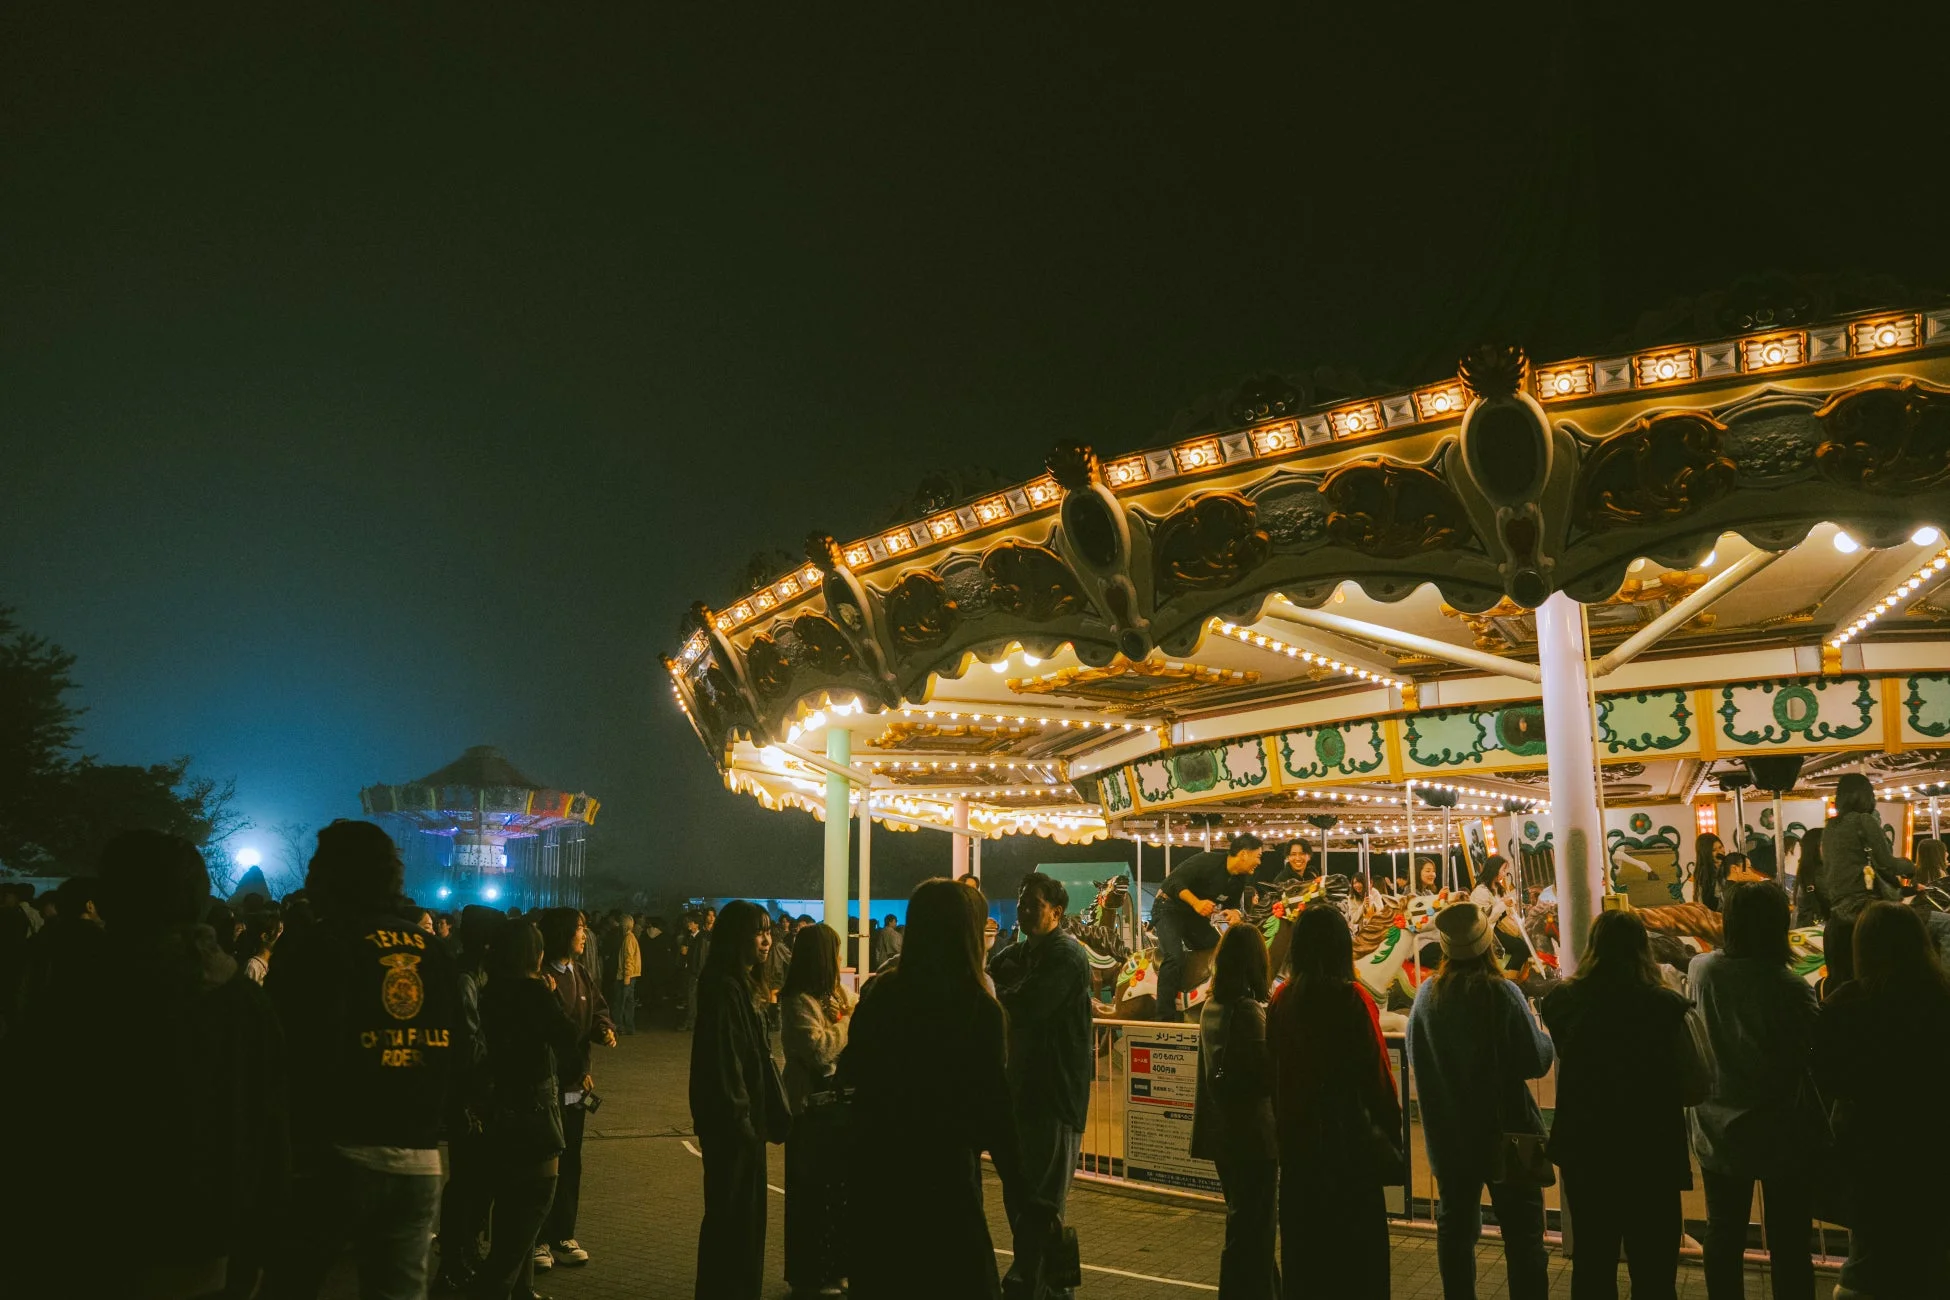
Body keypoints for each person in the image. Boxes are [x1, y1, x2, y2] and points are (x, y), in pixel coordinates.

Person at [5, 830, 288, 1300]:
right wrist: (261, 1245)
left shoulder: (74, 997)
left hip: (79, 1238)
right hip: (201, 1246)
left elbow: (24, 1116)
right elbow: (270, 1131)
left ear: (110, 899)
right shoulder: (243, 1004)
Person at [265, 819, 462, 1300]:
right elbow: (461, 1046)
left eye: (315, 867)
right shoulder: (434, 951)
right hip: (419, 1157)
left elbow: (289, 1051)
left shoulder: (321, 944)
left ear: (333, 877)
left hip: (336, 1155)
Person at [840, 879, 1054, 1300]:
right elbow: (997, 1113)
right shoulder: (978, 1010)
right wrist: (1025, 1194)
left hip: (880, 1173)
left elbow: (850, 1072)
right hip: (947, 1178)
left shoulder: (883, 995)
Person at [1539, 910, 1711, 1300]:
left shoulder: (1562, 1001)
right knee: (1653, 1269)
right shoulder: (1667, 1007)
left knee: (1592, 1263)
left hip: (1587, 1150)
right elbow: (1697, 1086)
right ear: (1642, 951)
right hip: (1650, 1151)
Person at [1407, 902, 1553, 1300]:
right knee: (1523, 1237)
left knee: (1455, 1233)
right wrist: (1545, 1034)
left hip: (1451, 1134)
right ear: (1489, 946)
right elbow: (1536, 1059)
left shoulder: (1426, 998)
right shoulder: (1502, 993)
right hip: (1509, 1134)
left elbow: (1416, 1054)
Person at [1687, 881, 1816, 1300]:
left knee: (1723, 1233)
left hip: (1716, 1123)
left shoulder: (1702, 969)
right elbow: (1809, 1051)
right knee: (1789, 1239)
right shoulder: (1790, 987)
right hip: (1781, 1125)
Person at [1815, 901, 1950, 1296]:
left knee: (1869, 1249)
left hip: (1867, 1145)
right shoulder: (1940, 999)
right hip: (1933, 1139)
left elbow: (1825, 1074)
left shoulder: (1844, 1005)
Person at [1268, 905, 1401, 1299]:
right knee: (1357, 1265)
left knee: (1305, 1260)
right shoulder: (1354, 999)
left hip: (1298, 1147)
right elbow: (1377, 1075)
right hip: (1350, 1151)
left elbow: (1273, 1069)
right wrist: (1390, 1130)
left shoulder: (1282, 1000)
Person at [988, 872, 1093, 1300]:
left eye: (1033, 903)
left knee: (1042, 1205)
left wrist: (996, 996)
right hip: (1022, 1094)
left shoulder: (1066, 956)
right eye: (1021, 901)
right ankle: (1037, 1283)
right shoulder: (1021, 954)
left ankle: (1041, 1287)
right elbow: (993, 979)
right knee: (1023, 1202)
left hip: (1055, 1096)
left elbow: (1026, 1005)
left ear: (1057, 911)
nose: (1023, 909)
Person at [473, 918, 583, 1300]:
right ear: (534, 954)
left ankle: (523, 1290)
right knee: (536, 1199)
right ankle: (495, 1289)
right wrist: (551, 995)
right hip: (534, 1107)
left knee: (507, 1205)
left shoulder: (490, 993)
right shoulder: (533, 993)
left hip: (499, 1107)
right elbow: (566, 1035)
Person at [689, 900, 789, 1300]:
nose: (766, 941)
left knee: (740, 1220)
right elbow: (724, 1062)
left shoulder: (739, 985)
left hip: (742, 1123)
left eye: (769, 932)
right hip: (733, 1126)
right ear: (737, 938)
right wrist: (742, 1119)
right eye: (758, 932)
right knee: (733, 1219)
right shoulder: (724, 988)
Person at [1191, 924, 1279, 1300]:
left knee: (1244, 1221)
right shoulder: (1247, 1012)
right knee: (1254, 1230)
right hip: (1253, 1136)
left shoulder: (1212, 1006)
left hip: (1224, 1132)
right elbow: (1267, 1074)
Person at [534, 908, 615, 1270]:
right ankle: (537, 1239)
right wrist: (575, 1069)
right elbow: (551, 1035)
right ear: (564, 933)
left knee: (571, 1158)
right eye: (580, 929)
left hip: (576, 1089)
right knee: (544, 1160)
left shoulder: (580, 973)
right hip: (551, 1086)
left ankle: (563, 1234)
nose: (585, 935)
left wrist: (604, 1028)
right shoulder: (541, 978)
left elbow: (597, 1008)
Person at [780, 922, 853, 1297]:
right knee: (809, 1193)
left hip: (836, 1106)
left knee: (837, 1191)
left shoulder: (835, 994)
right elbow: (819, 1049)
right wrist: (848, 1028)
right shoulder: (797, 1000)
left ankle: (837, 1268)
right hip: (808, 1106)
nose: (840, 959)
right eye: (836, 952)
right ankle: (809, 1272)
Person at [1150, 832, 1263, 1022]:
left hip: (1193, 917)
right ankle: (1165, 1017)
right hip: (1168, 909)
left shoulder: (1240, 879)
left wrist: (1235, 912)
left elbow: (1232, 904)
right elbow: (1172, 883)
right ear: (1244, 853)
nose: (1259, 862)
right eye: (1258, 856)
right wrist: (1196, 902)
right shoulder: (1206, 861)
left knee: (1223, 950)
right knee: (1174, 955)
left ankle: (1219, 1002)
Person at [1820, 773, 1909, 989]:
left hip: (1839, 910)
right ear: (1866, 796)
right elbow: (1886, 863)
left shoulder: (1830, 828)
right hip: (1867, 909)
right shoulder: (1864, 821)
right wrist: (1911, 867)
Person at [611, 914, 642, 1035]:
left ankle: (619, 1026)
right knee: (629, 1003)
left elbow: (628, 959)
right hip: (633, 975)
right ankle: (630, 1027)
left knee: (620, 1002)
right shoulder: (632, 937)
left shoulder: (628, 939)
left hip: (626, 976)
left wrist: (626, 976)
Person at [1793, 825, 1826, 926]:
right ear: (1815, 847)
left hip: (1804, 928)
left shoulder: (1805, 870)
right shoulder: (1820, 873)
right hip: (1816, 930)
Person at [236, 912, 281, 984]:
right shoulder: (253, 966)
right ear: (265, 936)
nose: (282, 935)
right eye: (279, 930)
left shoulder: (274, 963)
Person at [680, 913, 705, 1031]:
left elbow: (699, 957)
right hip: (689, 971)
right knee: (691, 997)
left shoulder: (701, 939)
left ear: (696, 924)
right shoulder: (689, 937)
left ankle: (690, 1022)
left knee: (692, 998)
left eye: (690, 922)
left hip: (695, 972)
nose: (688, 925)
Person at [1694, 832, 1725, 910]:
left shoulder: (1724, 866)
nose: (1719, 852)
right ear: (1706, 853)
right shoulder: (1704, 872)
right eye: (1714, 850)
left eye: (1720, 847)